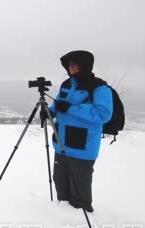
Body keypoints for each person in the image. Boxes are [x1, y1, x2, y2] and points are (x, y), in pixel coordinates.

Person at [46, 50, 113, 213]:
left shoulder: (99, 88)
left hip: (82, 148)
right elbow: (58, 105)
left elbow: (103, 114)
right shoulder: (67, 85)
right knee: (61, 185)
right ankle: (60, 219)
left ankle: (81, 224)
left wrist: (71, 108)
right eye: (69, 64)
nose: (71, 67)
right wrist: (50, 112)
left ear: (84, 65)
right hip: (61, 144)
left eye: (74, 63)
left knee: (79, 192)